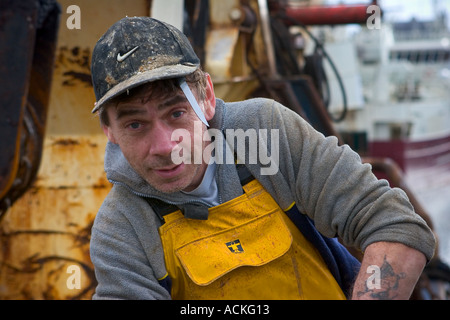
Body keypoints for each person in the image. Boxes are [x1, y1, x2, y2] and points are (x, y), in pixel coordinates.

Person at [89, 16, 435, 300]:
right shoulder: (121, 227)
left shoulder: (265, 134)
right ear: (109, 131)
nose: (165, 146)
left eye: (177, 113)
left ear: (207, 98)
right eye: (135, 124)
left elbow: (394, 224)